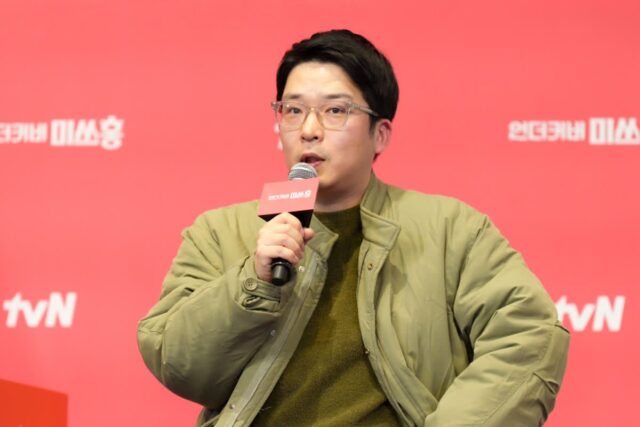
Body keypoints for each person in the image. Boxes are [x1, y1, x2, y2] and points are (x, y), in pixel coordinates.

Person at [137, 29, 569, 427]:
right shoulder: (219, 232)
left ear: (380, 134)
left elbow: (528, 334)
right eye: (293, 110)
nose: (309, 130)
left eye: (335, 110)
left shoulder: (452, 229)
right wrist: (254, 280)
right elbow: (180, 364)